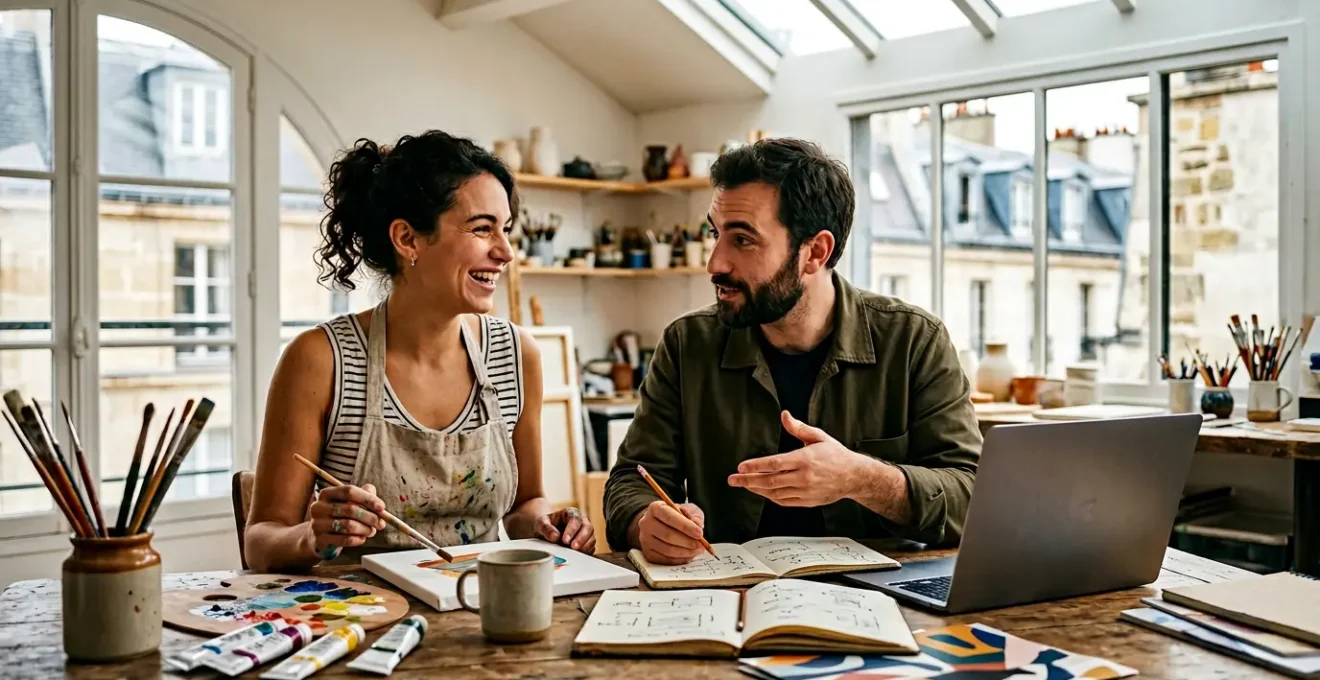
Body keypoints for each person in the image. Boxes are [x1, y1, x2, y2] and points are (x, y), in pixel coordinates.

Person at [603, 138, 981, 565]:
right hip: (729, 595)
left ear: (815, 252)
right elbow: (629, 482)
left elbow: (972, 497)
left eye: (743, 240)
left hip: (885, 602)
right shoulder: (686, 345)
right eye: (715, 234)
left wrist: (861, 478)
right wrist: (644, 522)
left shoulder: (915, 341)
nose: (715, 263)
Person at [245, 131, 594, 571]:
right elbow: (260, 542)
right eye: (482, 229)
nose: (505, 251)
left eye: (505, 229)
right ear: (407, 239)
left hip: (479, 613)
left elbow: (525, 505)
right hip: (364, 617)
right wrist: (310, 536)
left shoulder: (516, 355)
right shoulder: (320, 359)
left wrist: (551, 523)